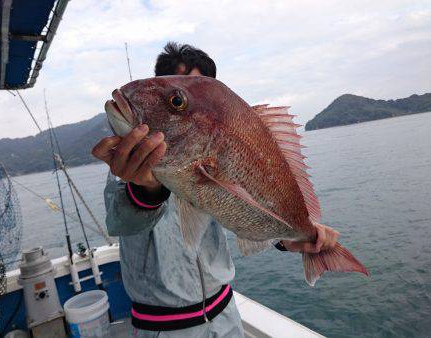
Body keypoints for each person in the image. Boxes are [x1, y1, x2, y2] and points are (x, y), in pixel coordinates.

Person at [92, 42, 340, 337]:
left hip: (226, 319)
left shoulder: (220, 149)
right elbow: (120, 220)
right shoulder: (128, 160)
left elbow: (240, 209)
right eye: (175, 100)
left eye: (177, 102)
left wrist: (291, 239)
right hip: (162, 328)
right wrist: (146, 190)